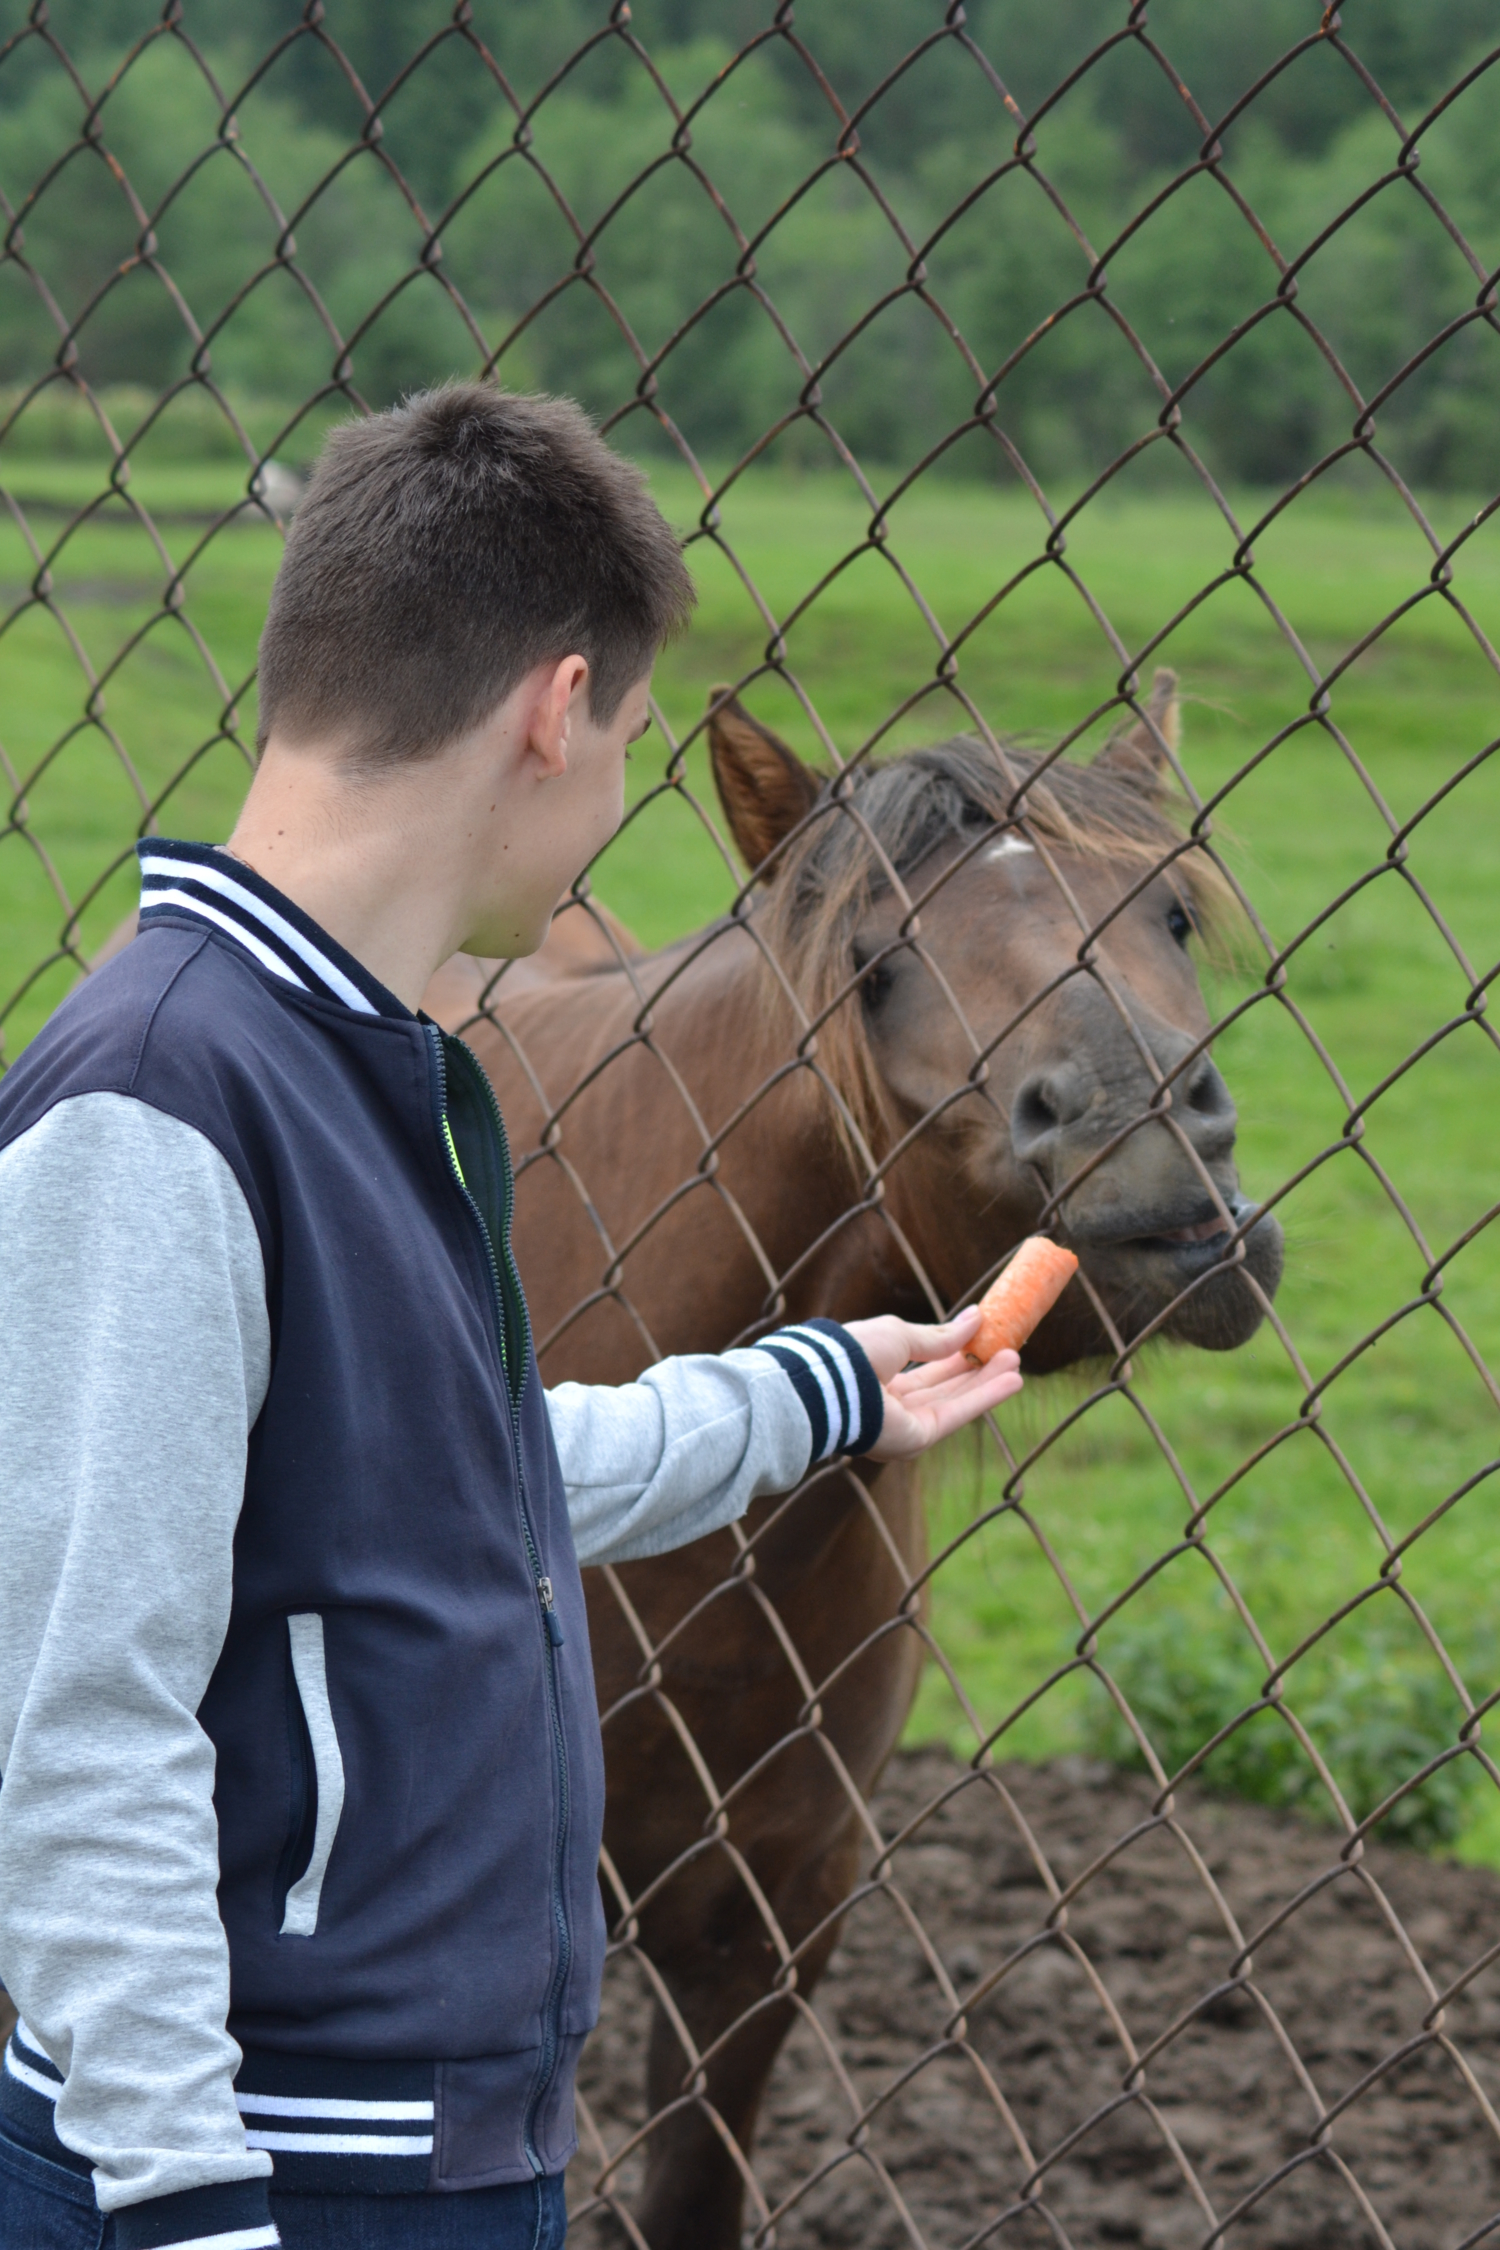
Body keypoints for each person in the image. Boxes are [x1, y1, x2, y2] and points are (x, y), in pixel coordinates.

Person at [0, 385, 1022, 2250]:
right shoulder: (163, 1102)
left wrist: (808, 1394)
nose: (625, 786)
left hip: (423, 2140)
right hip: (266, 2167)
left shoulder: (361, 1061)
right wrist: (186, 2211)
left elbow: (417, 1472)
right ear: (557, 711)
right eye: (633, 733)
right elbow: (87, 1717)